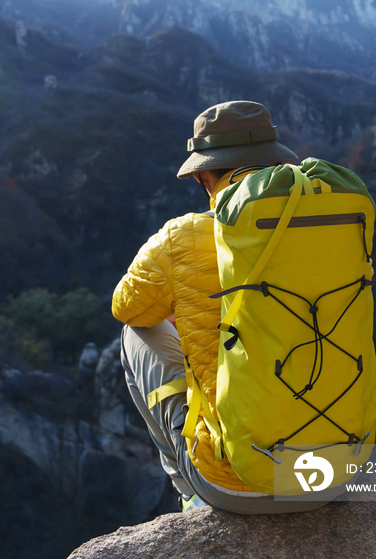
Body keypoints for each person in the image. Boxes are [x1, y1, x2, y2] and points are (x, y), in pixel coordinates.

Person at [112, 100, 340, 513]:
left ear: (203, 175)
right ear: (275, 163)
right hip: (334, 470)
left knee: (134, 333)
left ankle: (192, 493)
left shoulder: (181, 238)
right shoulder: (331, 225)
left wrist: (183, 305)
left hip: (238, 484)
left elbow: (126, 308)